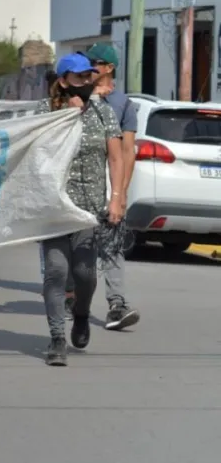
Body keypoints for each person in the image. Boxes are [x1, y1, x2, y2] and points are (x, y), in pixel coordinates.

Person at [40, 53, 125, 367]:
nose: (87, 82)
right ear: (63, 81)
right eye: (79, 78)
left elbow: (116, 158)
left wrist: (116, 198)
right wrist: (66, 118)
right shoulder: (44, 111)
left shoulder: (104, 112)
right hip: (53, 207)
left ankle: (81, 314)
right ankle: (57, 338)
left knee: (85, 275)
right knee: (57, 271)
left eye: (90, 76)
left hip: (88, 209)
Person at [86, 42, 141, 332]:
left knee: (112, 246)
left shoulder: (123, 105)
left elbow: (128, 150)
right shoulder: (77, 96)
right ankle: (70, 296)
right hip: (78, 185)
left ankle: (117, 304)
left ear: (109, 68)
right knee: (76, 246)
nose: (89, 67)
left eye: (95, 62)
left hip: (108, 184)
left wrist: (120, 193)